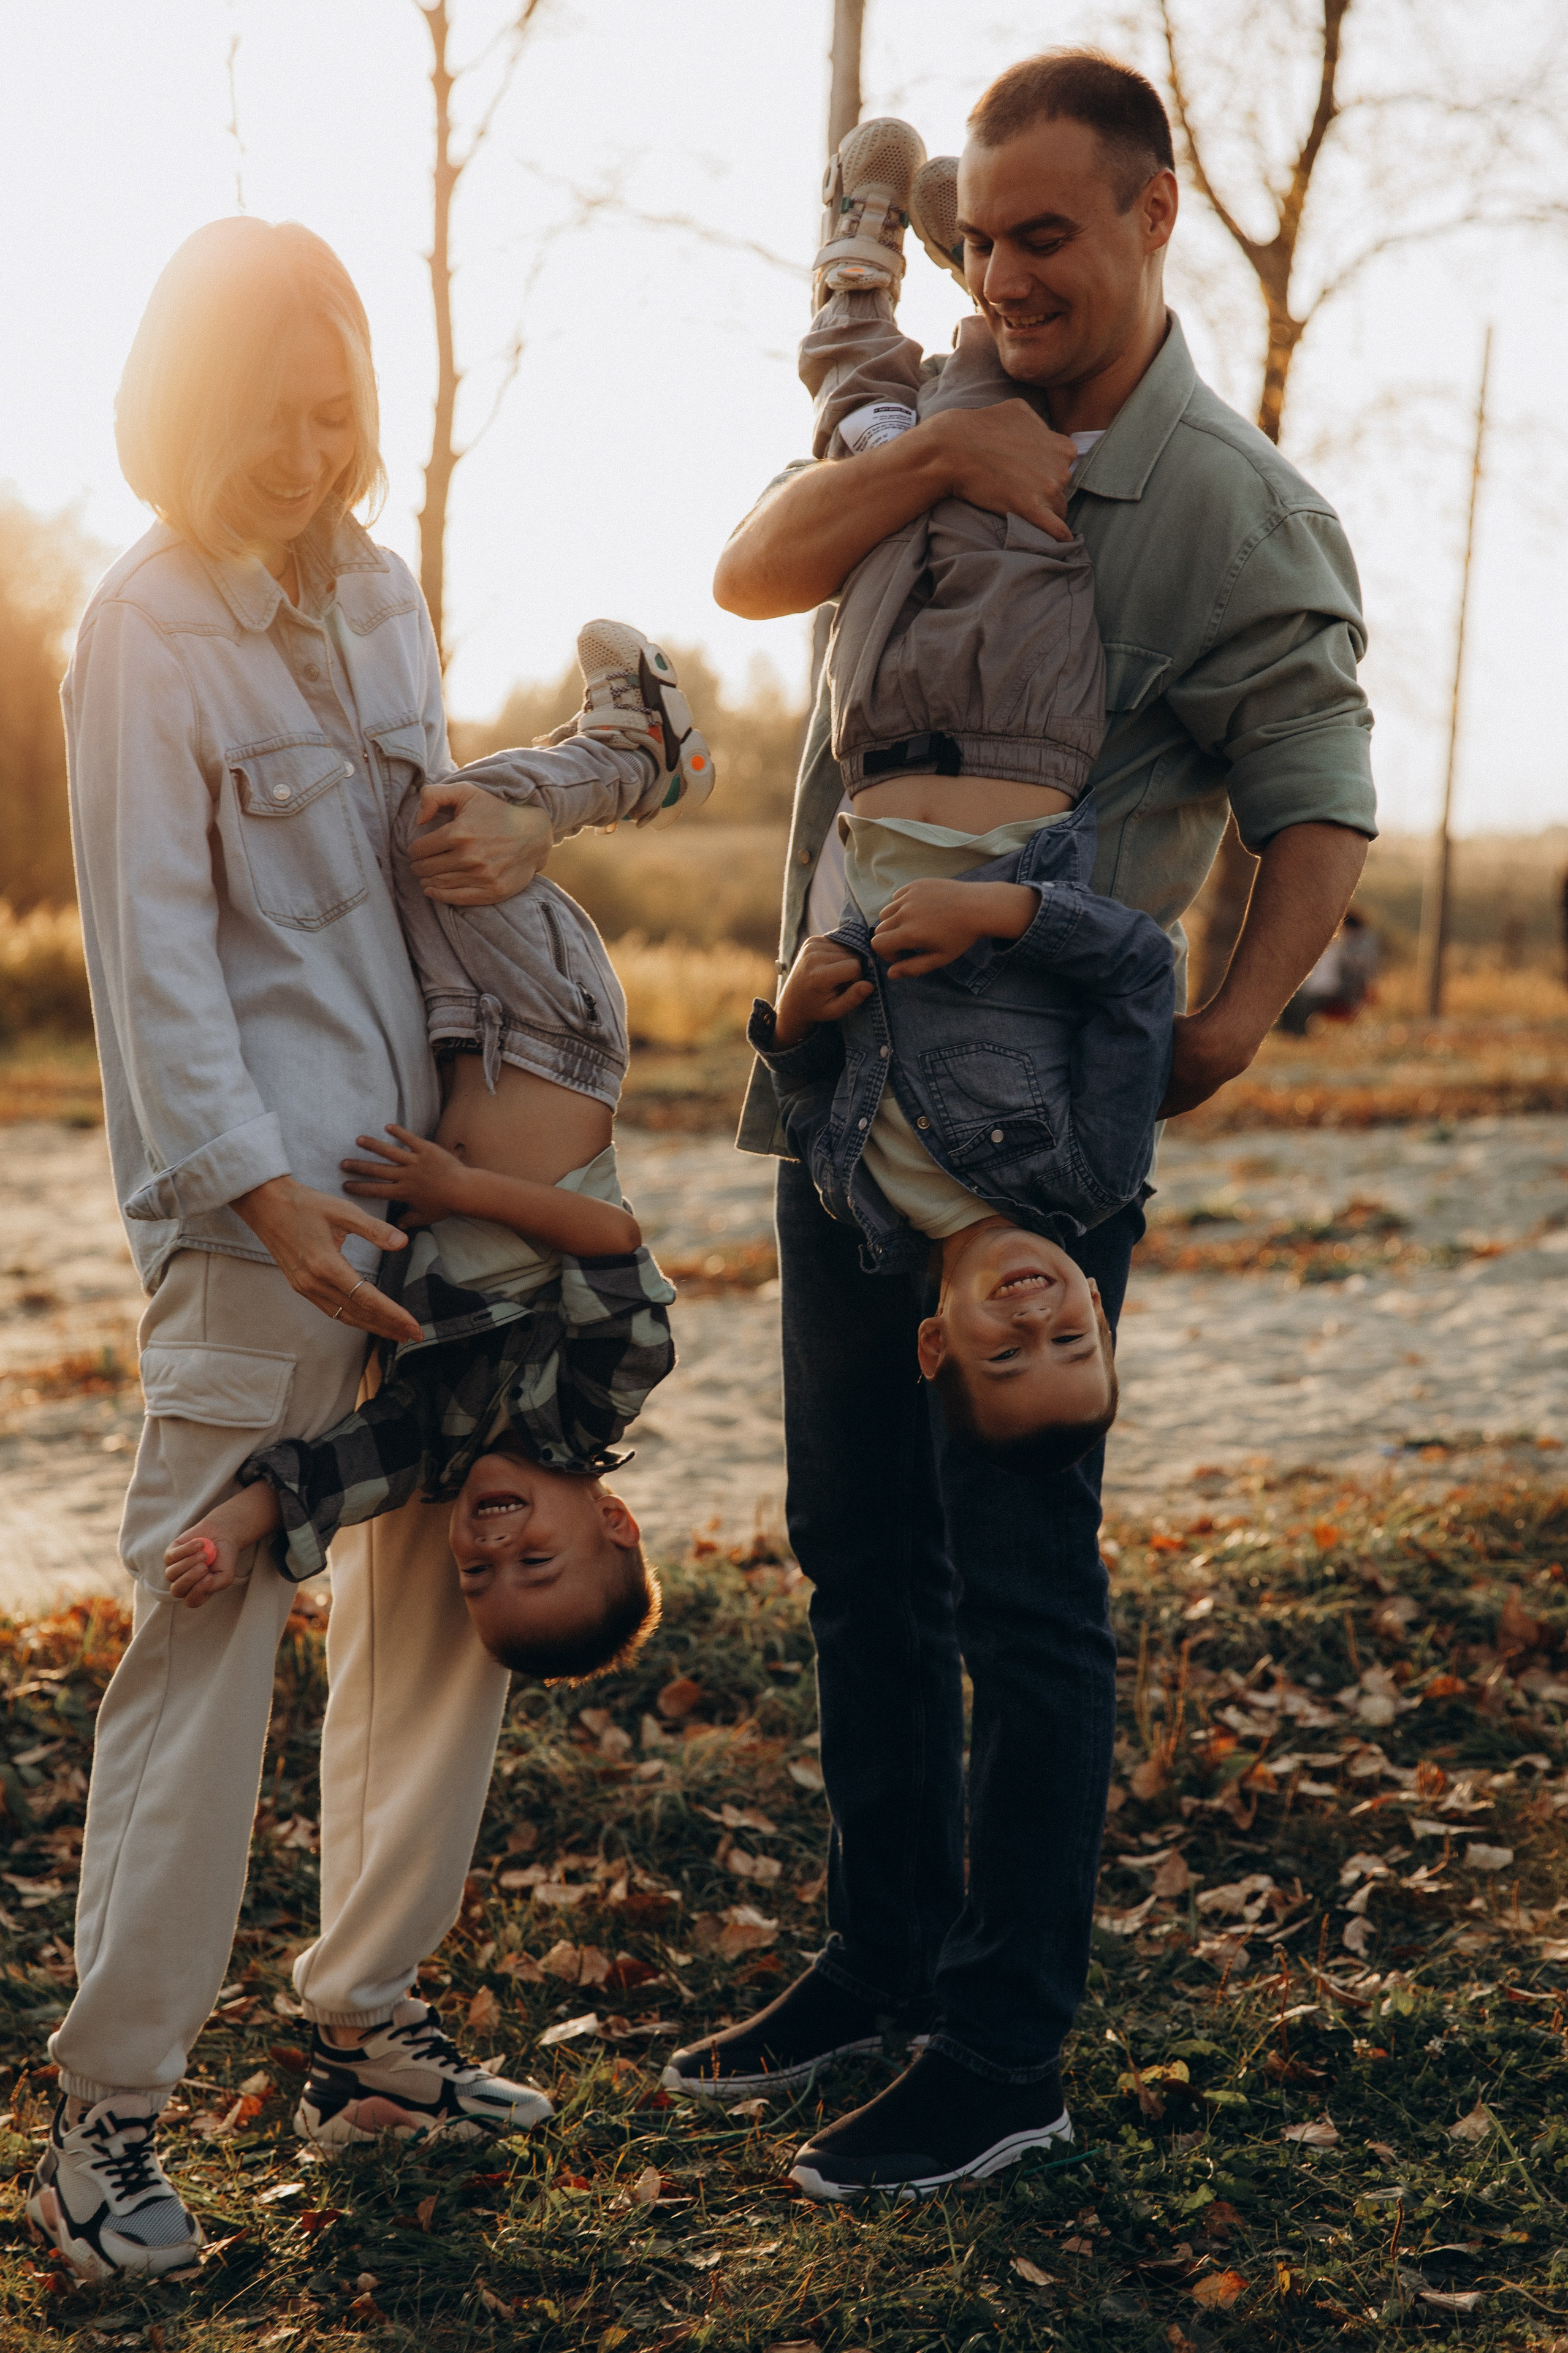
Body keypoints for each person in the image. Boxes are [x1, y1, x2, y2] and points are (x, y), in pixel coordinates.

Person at [664, 48, 1377, 2200]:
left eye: (1043, 234)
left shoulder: (1226, 503)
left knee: (1017, 1591)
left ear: (1153, 215)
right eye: (980, 237)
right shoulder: (947, 400)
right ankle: (875, 1961)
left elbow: (1312, 789)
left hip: (1018, 1161)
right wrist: (947, 441)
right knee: (851, 1558)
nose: (1003, 270)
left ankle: (1001, 2050)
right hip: (827, 1082)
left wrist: (1229, 1017)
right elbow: (751, 566)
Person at [28, 216, 695, 2283]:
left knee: (440, 1611)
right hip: (267, 1223)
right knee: (204, 1636)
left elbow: (427, 873)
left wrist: (525, 821)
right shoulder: (141, 628)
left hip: (436, 1194)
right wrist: (251, 1188)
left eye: (337, 413)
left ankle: (365, 2014)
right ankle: (106, 2113)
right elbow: (148, 949)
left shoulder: (385, 591)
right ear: (175, 412)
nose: (307, 454)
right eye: (266, 419)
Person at [163, 642, 690, 1679]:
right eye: (535, 1558)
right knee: (446, 820)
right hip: (557, 1036)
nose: (491, 1548)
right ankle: (636, 755)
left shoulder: (427, 1446)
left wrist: (228, 1532)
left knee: (374, 825)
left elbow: (327, 1475)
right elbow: (610, 1237)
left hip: (459, 1028)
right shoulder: (600, 1390)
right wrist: (459, 1192)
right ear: (614, 1519)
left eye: (478, 1578)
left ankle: (303, 670)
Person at [748, 793, 1173, 1464]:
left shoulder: (854, 1198)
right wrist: (995, 911)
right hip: (1008, 810)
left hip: (873, 814)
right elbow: (1141, 970)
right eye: (1070, 1339)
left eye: (1006, 1353)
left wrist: (792, 1017)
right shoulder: (1094, 1172)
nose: (1036, 1322)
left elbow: (804, 1090)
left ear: (934, 1343)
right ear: (1096, 1305)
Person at [1276, 905, 1379, 1033]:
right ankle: (1293, 1030)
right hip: (1329, 988)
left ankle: (1294, 1031)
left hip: (1331, 989)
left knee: (1301, 1001)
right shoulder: (1348, 944)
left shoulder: (1350, 945)